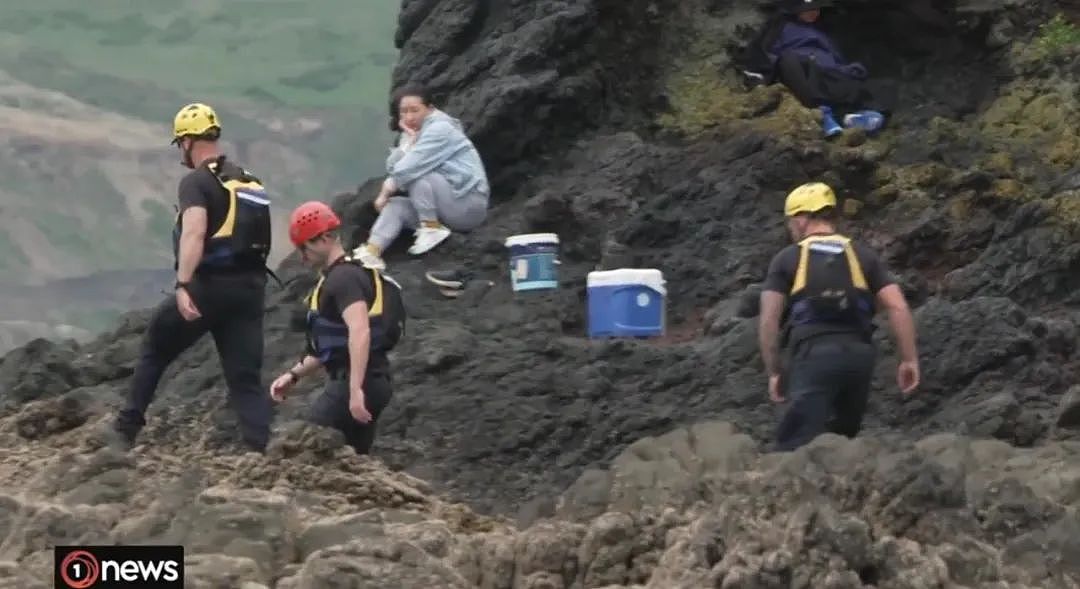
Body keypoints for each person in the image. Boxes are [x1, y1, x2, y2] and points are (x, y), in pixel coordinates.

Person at [111, 103, 274, 452]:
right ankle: (260, 452)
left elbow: (194, 233)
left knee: (155, 347)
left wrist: (184, 284)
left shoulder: (196, 182)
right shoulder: (247, 180)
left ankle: (125, 431)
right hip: (250, 292)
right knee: (245, 380)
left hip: (210, 287)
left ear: (187, 141)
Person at [757, 181, 920, 451]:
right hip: (859, 357)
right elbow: (898, 307)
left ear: (800, 220)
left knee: (794, 446)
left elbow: (768, 320)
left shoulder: (788, 258)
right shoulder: (864, 256)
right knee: (843, 444)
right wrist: (909, 359)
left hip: (813, 355)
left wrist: (774, 370)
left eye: (789, 221)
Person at [270, 201, 403, 455]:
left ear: (324, 239)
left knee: (303, 447)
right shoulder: (344, 274)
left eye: (304, 248)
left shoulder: (343, 279)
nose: (302, 257)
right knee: (352, 460)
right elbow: (331, 346)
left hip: (357, 383)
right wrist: (293, 375)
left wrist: (355, 391)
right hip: (374, 381)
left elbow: (360, 331)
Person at [351, 85, 490, 270]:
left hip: (468, 205)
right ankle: (372, 252)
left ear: (430, 109)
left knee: (418, 174)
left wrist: (384, 192)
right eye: (404, 112)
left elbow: (407, 169)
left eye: (415, 110)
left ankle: (431, 228)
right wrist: (409, 142)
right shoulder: (413, 134)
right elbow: (393, 167)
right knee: (396, 206)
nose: (409, 117)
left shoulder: (441, 129)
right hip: (443, 207)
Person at [738, 0, 890, 138]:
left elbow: (834, 58)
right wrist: (758, 76)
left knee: (864, 79)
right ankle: (823, 115)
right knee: (790, 62)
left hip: (827, 72)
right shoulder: (780, 26)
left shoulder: (821, 32)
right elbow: (760, 53)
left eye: (816, 8)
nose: (814, 12)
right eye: (808, 9)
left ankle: (852, 117)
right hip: (800, 72)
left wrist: (847, 69)